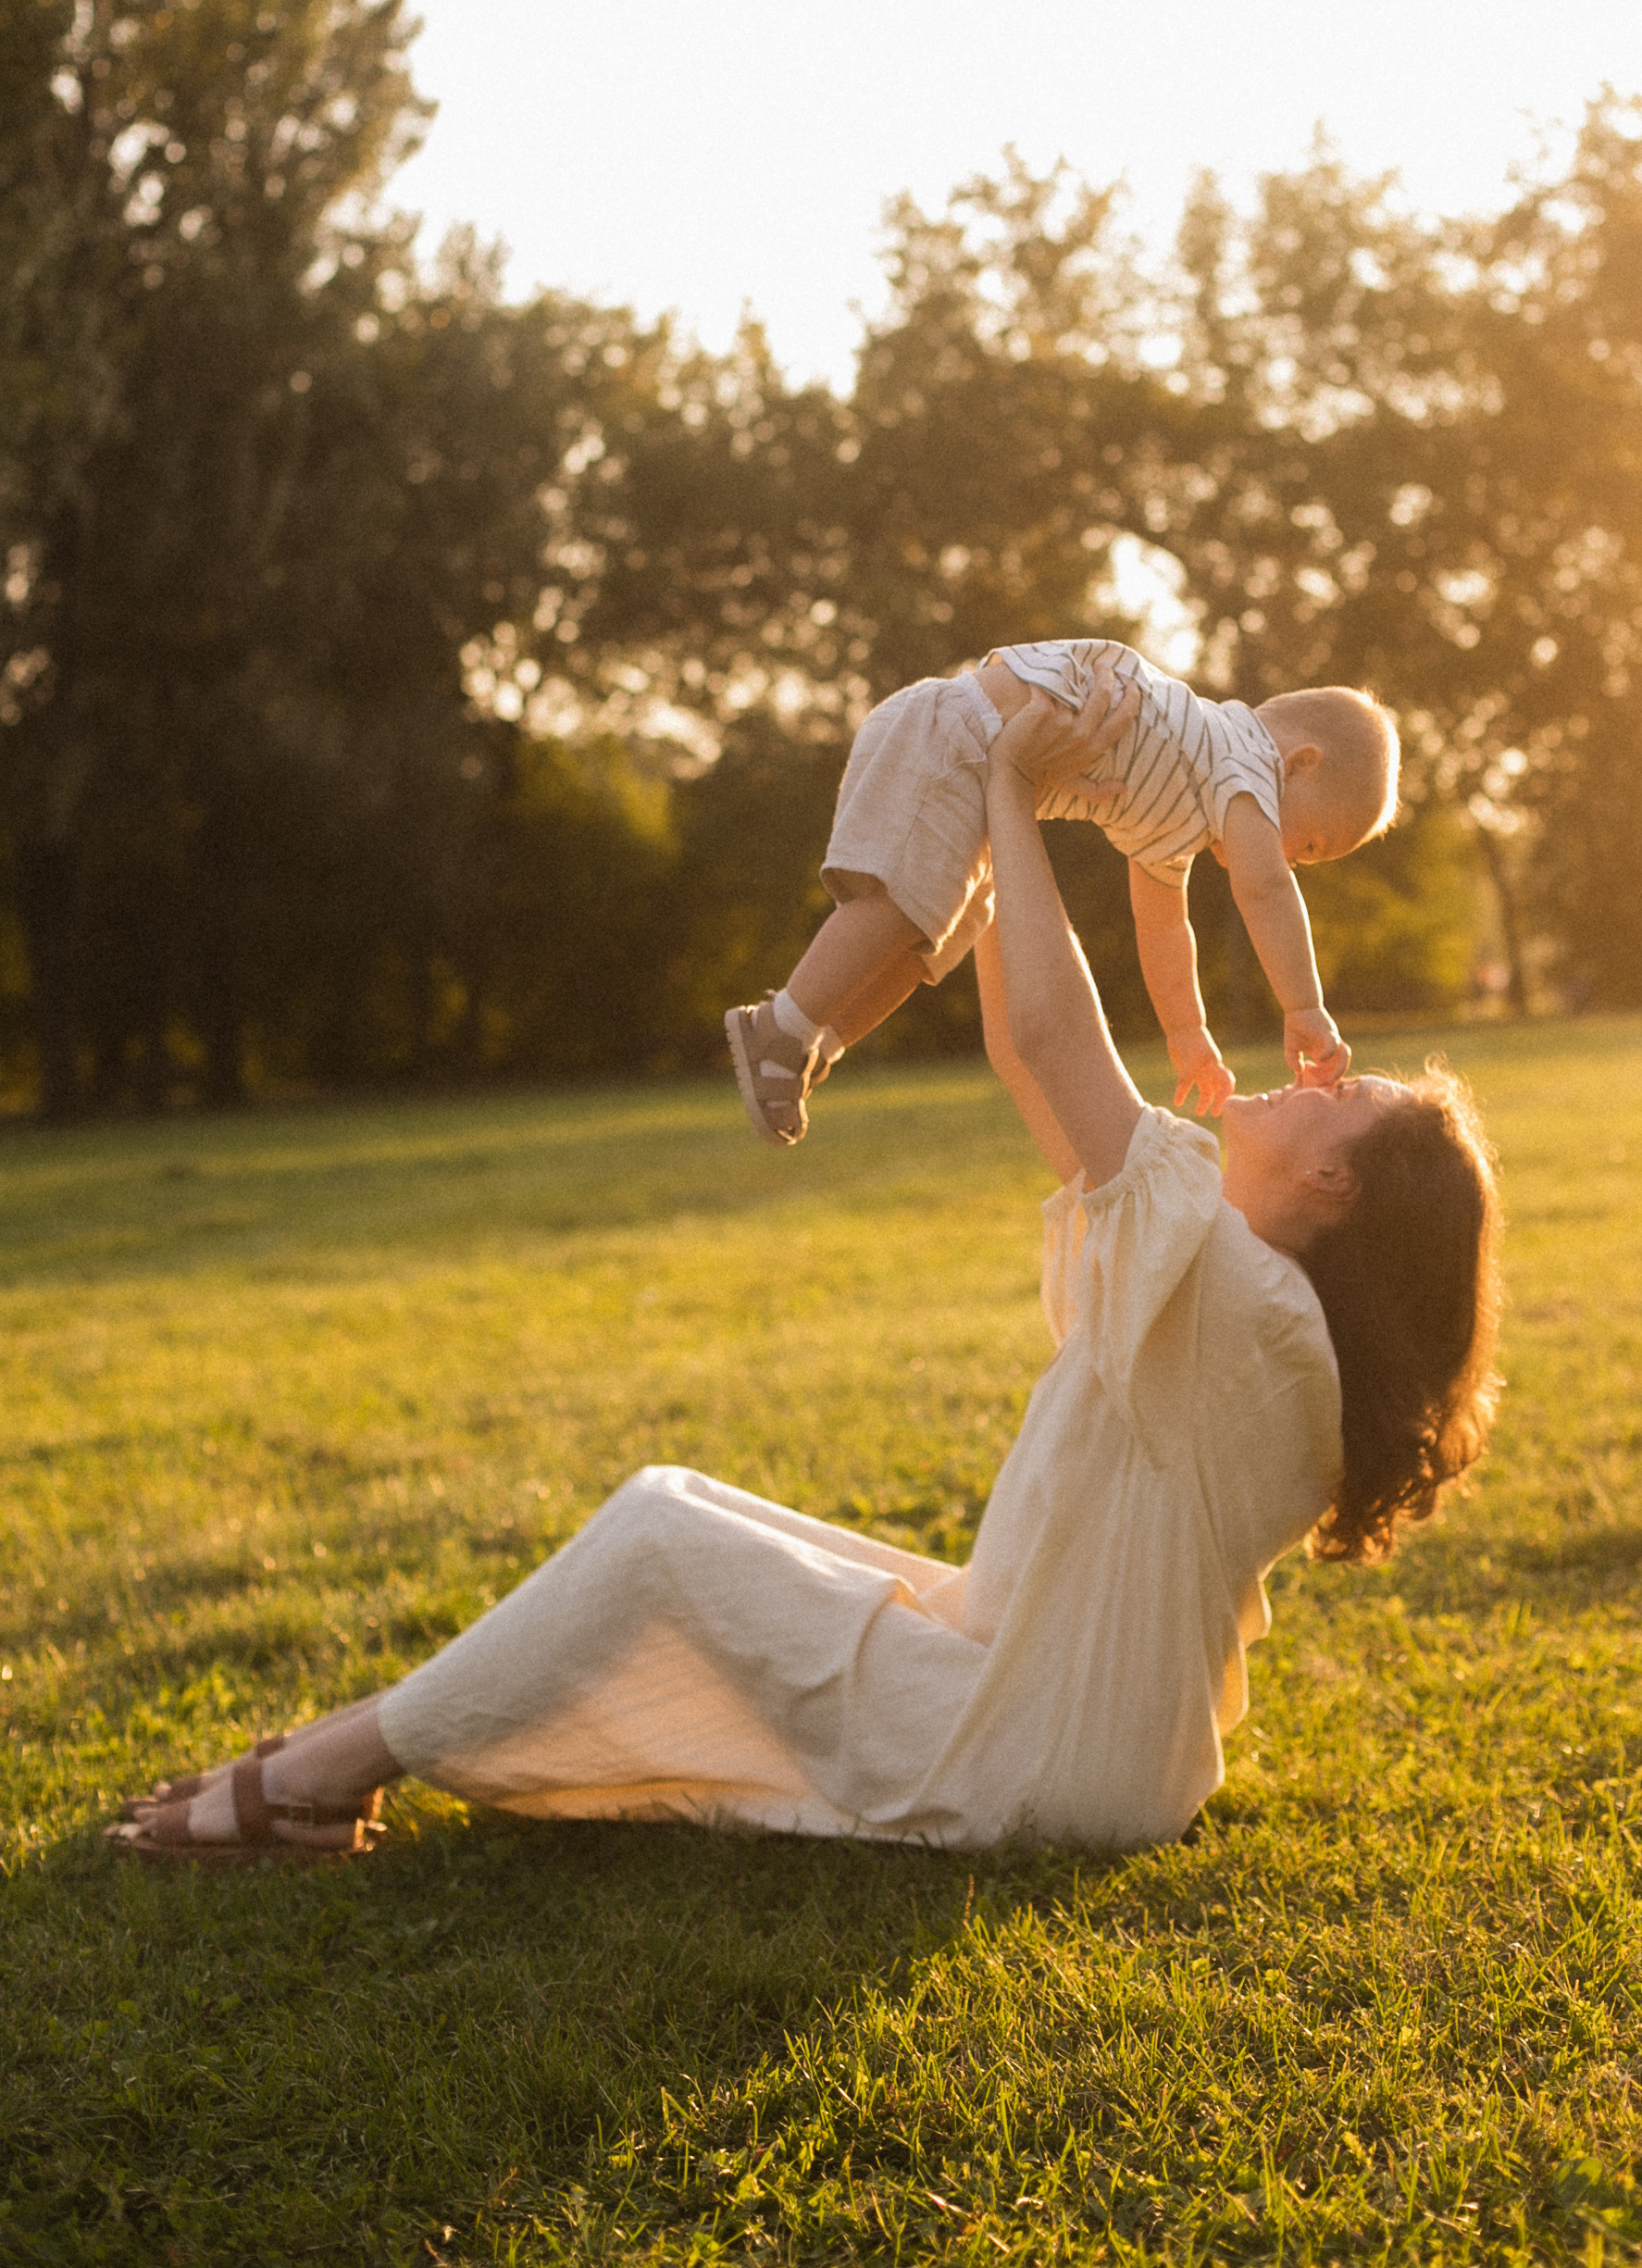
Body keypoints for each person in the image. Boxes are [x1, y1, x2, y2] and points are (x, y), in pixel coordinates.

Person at [107, 667, 1499, 1869]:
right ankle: (351, 1748)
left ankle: (314, 1779)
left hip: (1040, 1758)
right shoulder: (1242, 1293)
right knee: (702, 1515)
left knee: (659, 1531)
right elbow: (1030, 1051)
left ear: (1334, 1183)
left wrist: (1013, 792)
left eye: (1343, 1089)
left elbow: (1066, 1046)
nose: (1312, 1066)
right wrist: (1025, 816)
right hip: (1063, 1718)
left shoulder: (1249, 1313)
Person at [725, 637, 1399, 1146]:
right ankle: (780, 1027)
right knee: (903, 905)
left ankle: (819, 1040)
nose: (1294, 860)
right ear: (1301, 762)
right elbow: (1266, 890)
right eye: (1312, 845)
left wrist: (1188, 1032)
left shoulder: (1183, 803)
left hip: (968, 753)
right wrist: (1303, 1006)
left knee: (947, 926)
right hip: (956, 734)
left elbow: (1164, 927)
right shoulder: (1244, 758)